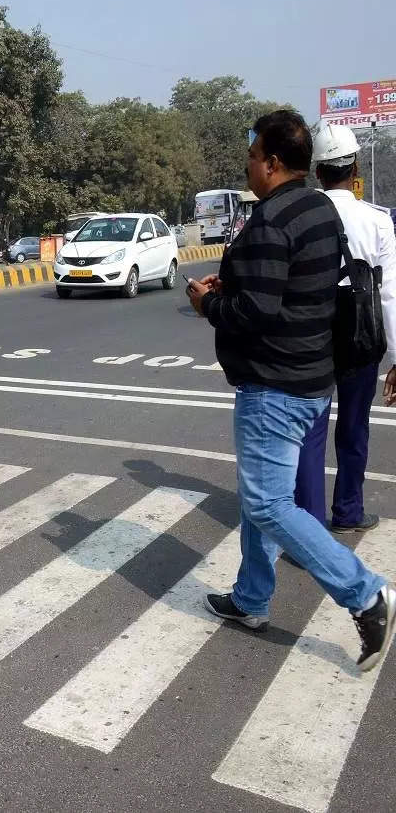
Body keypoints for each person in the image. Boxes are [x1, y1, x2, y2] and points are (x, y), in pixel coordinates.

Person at [186, 109, 394, 672]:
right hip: (312, 379)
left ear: (273, 163)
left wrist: (207, 302)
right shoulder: (319, 209)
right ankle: (251, 598)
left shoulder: (270, 221)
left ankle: (365, 594)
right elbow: (297, 285)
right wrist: (240, 280)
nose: (249, 167)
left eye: (252, 158)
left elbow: (253, 312)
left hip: (273, 385)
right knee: (261, 488)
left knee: (266, 501)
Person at [291, 121, 396, 533]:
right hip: (361, 338)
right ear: (354, 168)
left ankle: (308, 524)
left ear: (317, 171)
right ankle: (349, 512)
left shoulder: (302, 215)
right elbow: (388, 294)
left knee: (310, 434)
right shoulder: (377, 220)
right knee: (354, 429)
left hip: (311, 337)